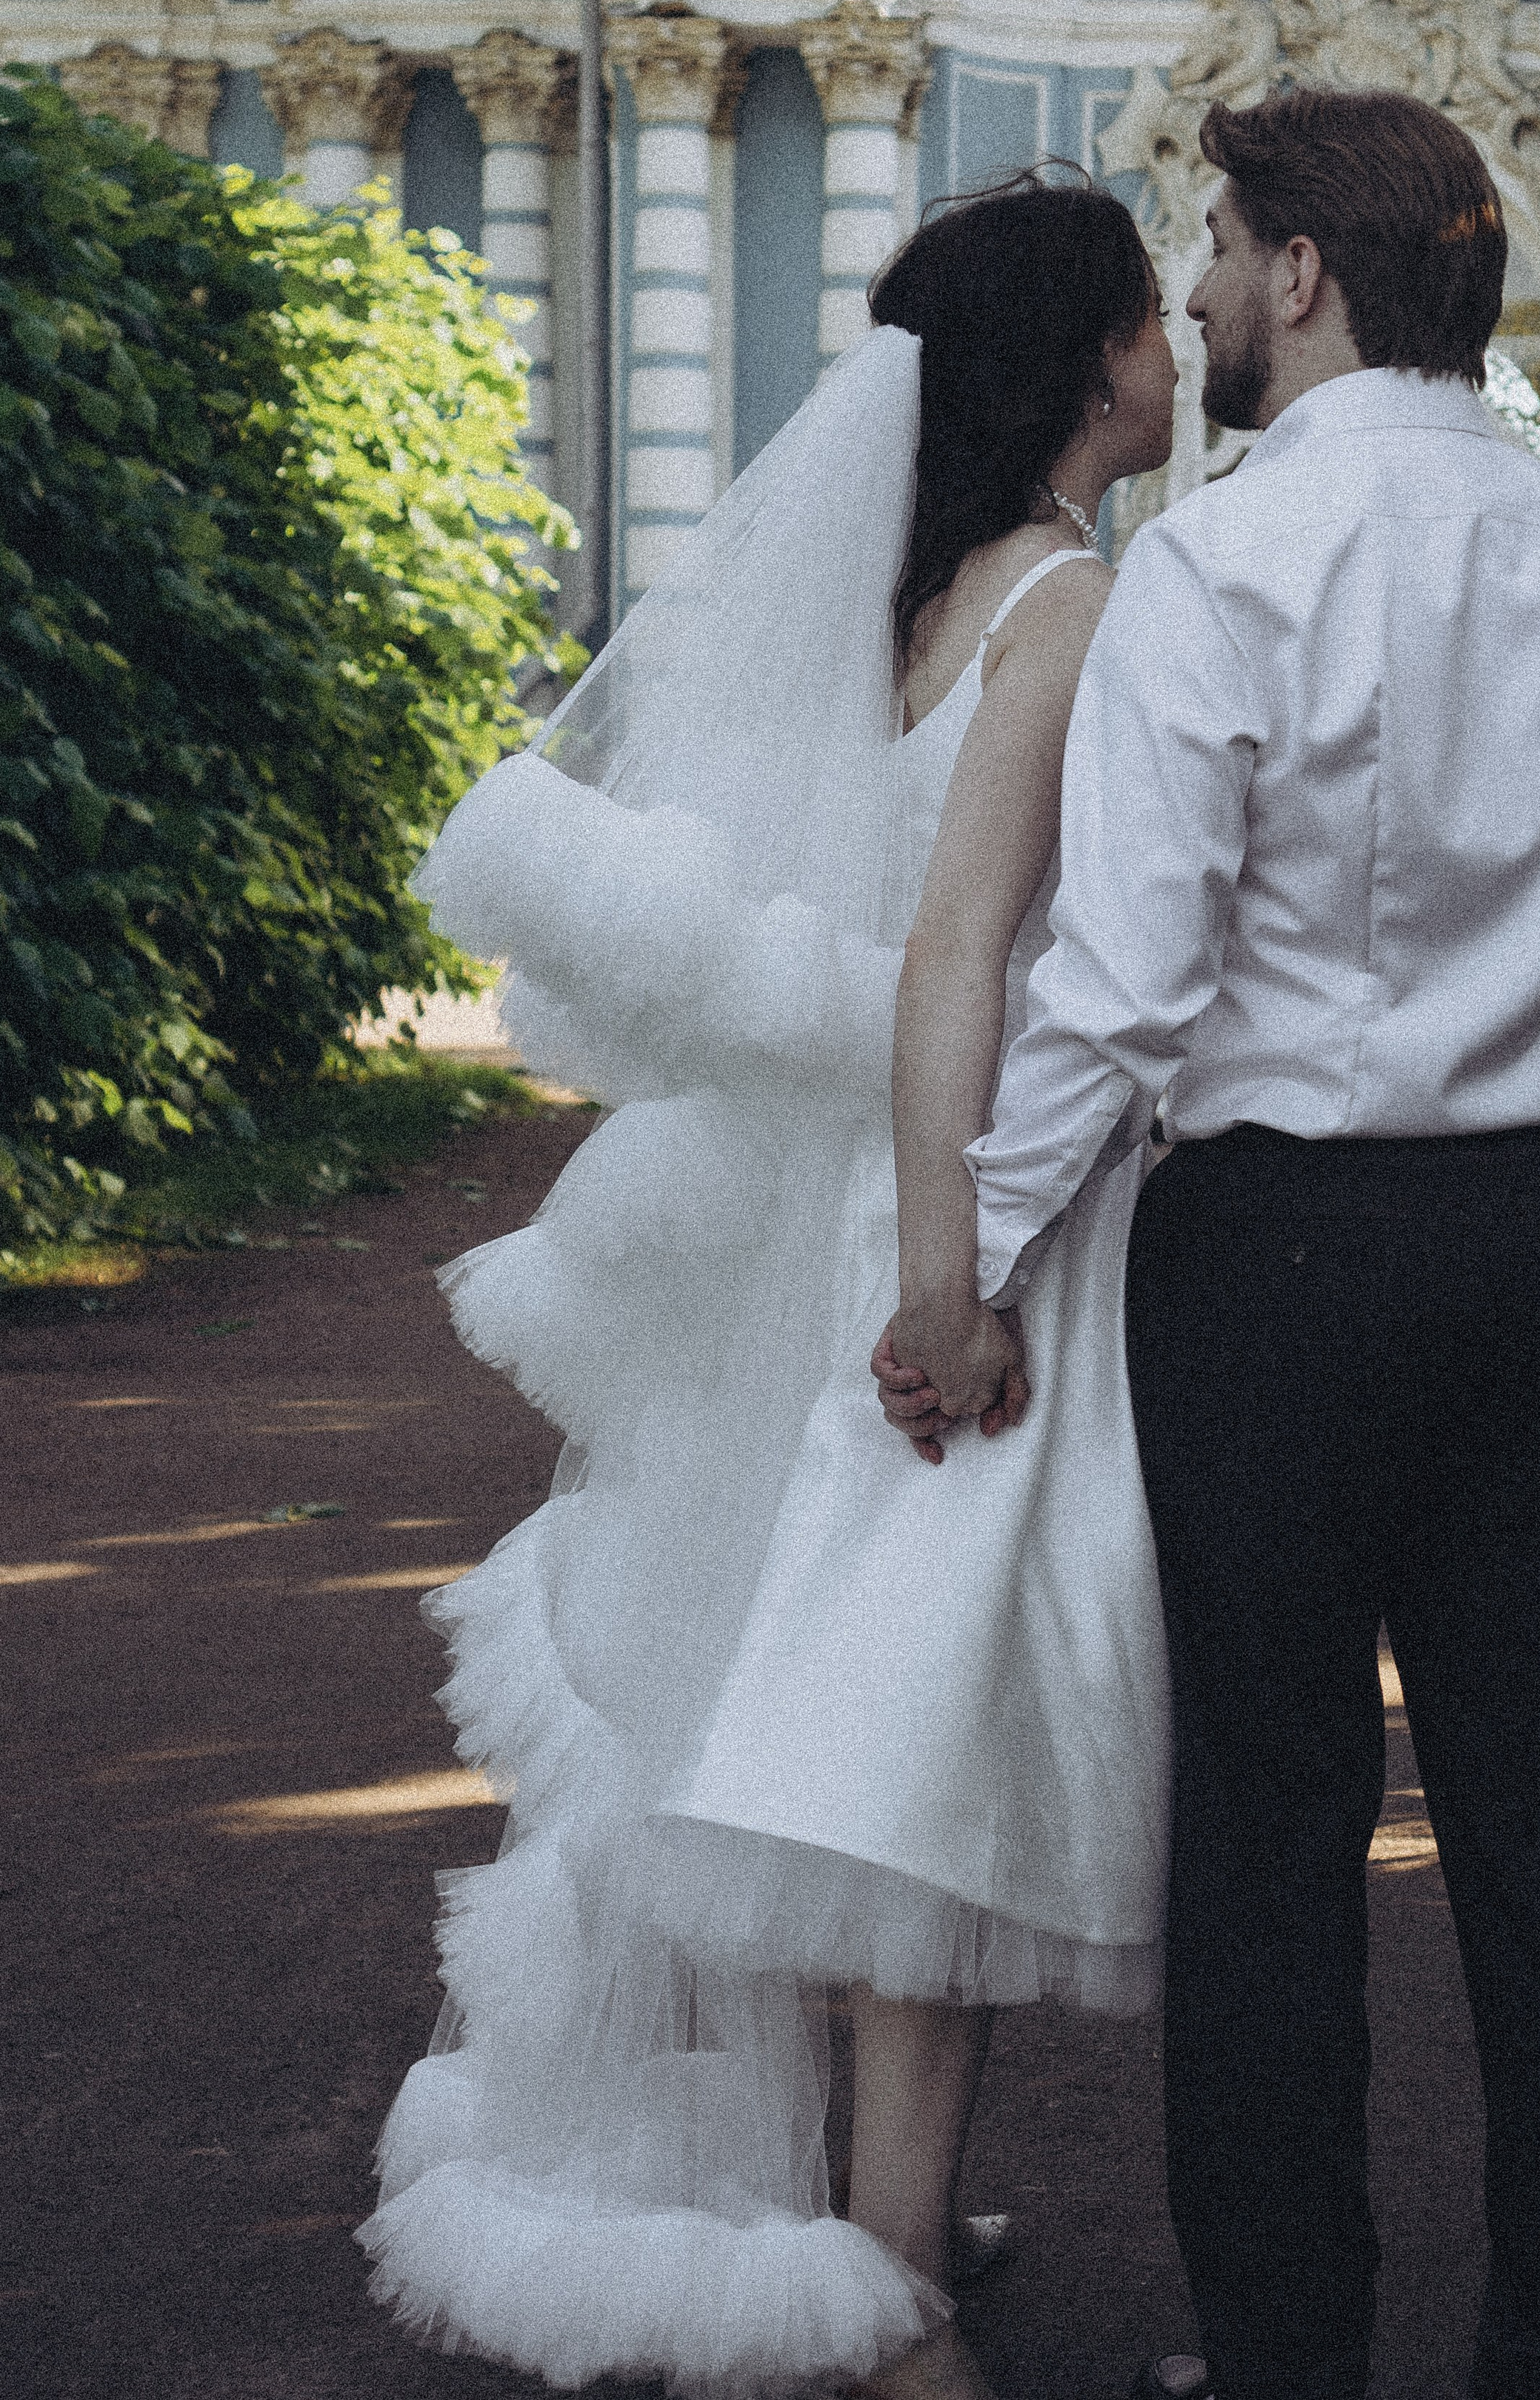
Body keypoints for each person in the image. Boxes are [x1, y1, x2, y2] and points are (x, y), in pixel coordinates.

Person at [880, 87, 1540, 2400]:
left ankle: (1286, 2357)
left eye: (1224, 247)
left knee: (1263, 1828)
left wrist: (965, 1272)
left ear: (1309, 272)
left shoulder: (1213, 572)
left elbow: (1124, 990)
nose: (1205, 288)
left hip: (1272, 1253)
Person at [356, 170, 1179, 2400]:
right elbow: (952, 964)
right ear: (1085, 363)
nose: (1170, 350)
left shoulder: (900, 602)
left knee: (793, 1735)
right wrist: (951, 1274)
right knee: (922, 1770)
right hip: (942, 1229)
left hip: (811, 1219)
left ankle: (843, 2223)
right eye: (1141, 316)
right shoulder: (1067, 603)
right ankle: (885, 2297)